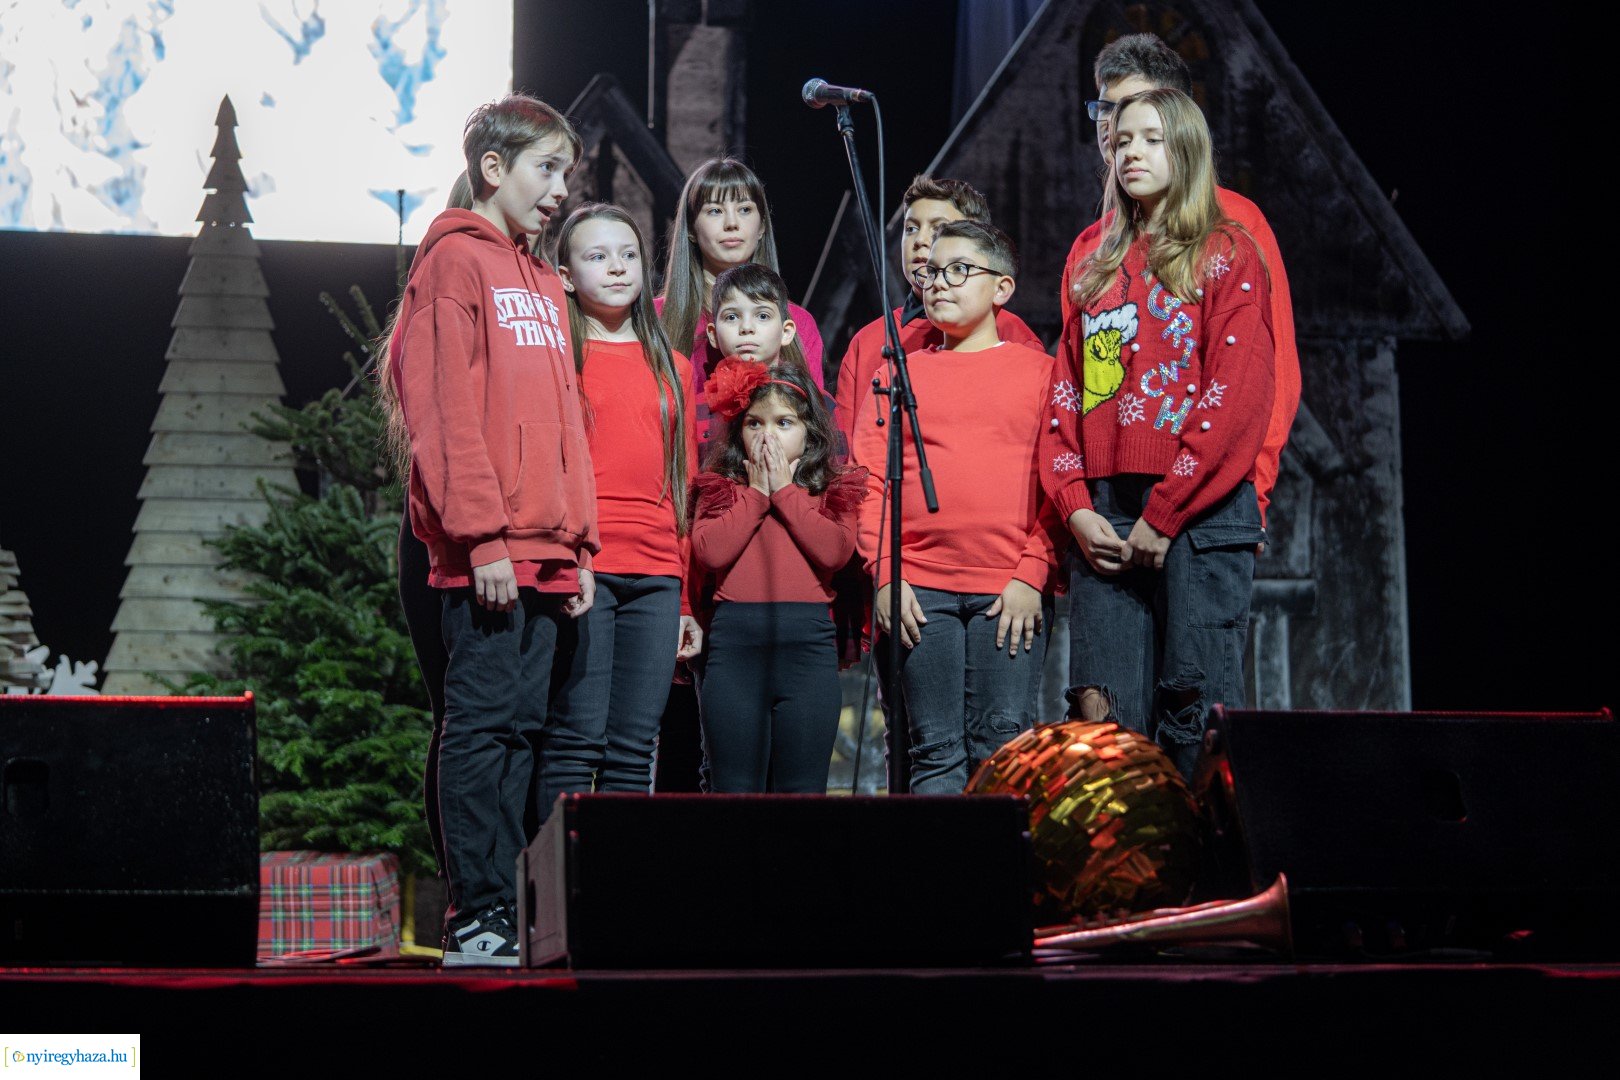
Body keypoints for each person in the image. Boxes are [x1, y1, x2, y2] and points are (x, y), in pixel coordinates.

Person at [390, 94, 596, 966]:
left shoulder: (543, 279)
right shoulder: (454, 266)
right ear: (493, 169)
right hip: (489, 552)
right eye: (546, 170)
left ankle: (508, 909)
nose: (559, 191)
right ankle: (475, 912)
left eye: (565, 174)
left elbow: (565, 422)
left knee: (522, 730)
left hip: (548, 550)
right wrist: (482, 538)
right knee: (478, 728)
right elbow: (443, 412)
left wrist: (580, 543)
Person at [1044, 88, 1277, 780]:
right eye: (1120, 141)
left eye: (1150, 139)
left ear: (1186, 149)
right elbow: (1063, 400)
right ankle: (1128, 888)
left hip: (1199, 516)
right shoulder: (1094, 263)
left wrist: (1168, 511)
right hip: (1108, 515)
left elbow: (1234, 397)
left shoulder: (1227, 253)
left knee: (1195, 716)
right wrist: (1074, 505)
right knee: (1107, 725)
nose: (1131, 153)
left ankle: (1209, 885)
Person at [850, 221, 1064, 794]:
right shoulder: (895, 375)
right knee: (935, 750)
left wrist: (1032, 572)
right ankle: (941, 885)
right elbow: (871, 484)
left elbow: (1061, 484)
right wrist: (885, 575)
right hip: (919, 591)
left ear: (1002, 288)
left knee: (1003, 749)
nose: (939, 282)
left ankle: (996, 884)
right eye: (930, 272)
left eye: (958, 270)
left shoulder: (1040, 374)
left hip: (1009, 592)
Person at [1065, 32, 1298, 529]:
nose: (1112, 124)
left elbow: (1268, 373)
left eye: (1131, 105)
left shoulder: (1233, 225)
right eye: (1104, 108)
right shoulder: (1092, 245)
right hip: (1112, 502)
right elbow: (1074, 379)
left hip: (1209, 497)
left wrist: (1252, 495)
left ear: (1177, 118)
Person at [536, 203, 703, 822]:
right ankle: (559, 901)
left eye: (628, 255)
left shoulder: (673, 368)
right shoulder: (560, 358)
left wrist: (684, 598)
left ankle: (618, 895)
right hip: (588, 570)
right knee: (577, 739)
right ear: (566, 271)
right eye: (597, 256)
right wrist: (570, 556)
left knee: (636, 750)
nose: (616, 268)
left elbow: (682, 484)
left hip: (657, 578)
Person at [690, 358, 867, 793]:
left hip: (806, 653)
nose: (767, 435)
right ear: (738, 431)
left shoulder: (831, 488)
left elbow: (835, 551)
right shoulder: (722, 486)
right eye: (754, 423)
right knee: (733, 790)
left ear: (809, 433)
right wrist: (755, 495)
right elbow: (709, 550)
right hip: (735, 651)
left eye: (784, 422)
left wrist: (785, 492)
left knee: (802, 793)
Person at [379, 173, 475, 885]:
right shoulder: (444, 286)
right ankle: (467, 894)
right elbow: (443, 430)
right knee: (459, 716)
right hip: (443, 535)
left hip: (525, 537)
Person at [833, 175, 1044, 453]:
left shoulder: (1013, 335)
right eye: (911, 228)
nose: (920, 240)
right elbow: (847, 454)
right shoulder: (868, 342)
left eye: (939, 228)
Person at [657, 157, 825, 444]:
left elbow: (813, 427)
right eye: (715, 211)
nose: (732, 224)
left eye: (745, 210)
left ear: (761, 227)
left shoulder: (797, 321)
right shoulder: (657, 317)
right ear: (690, 229)